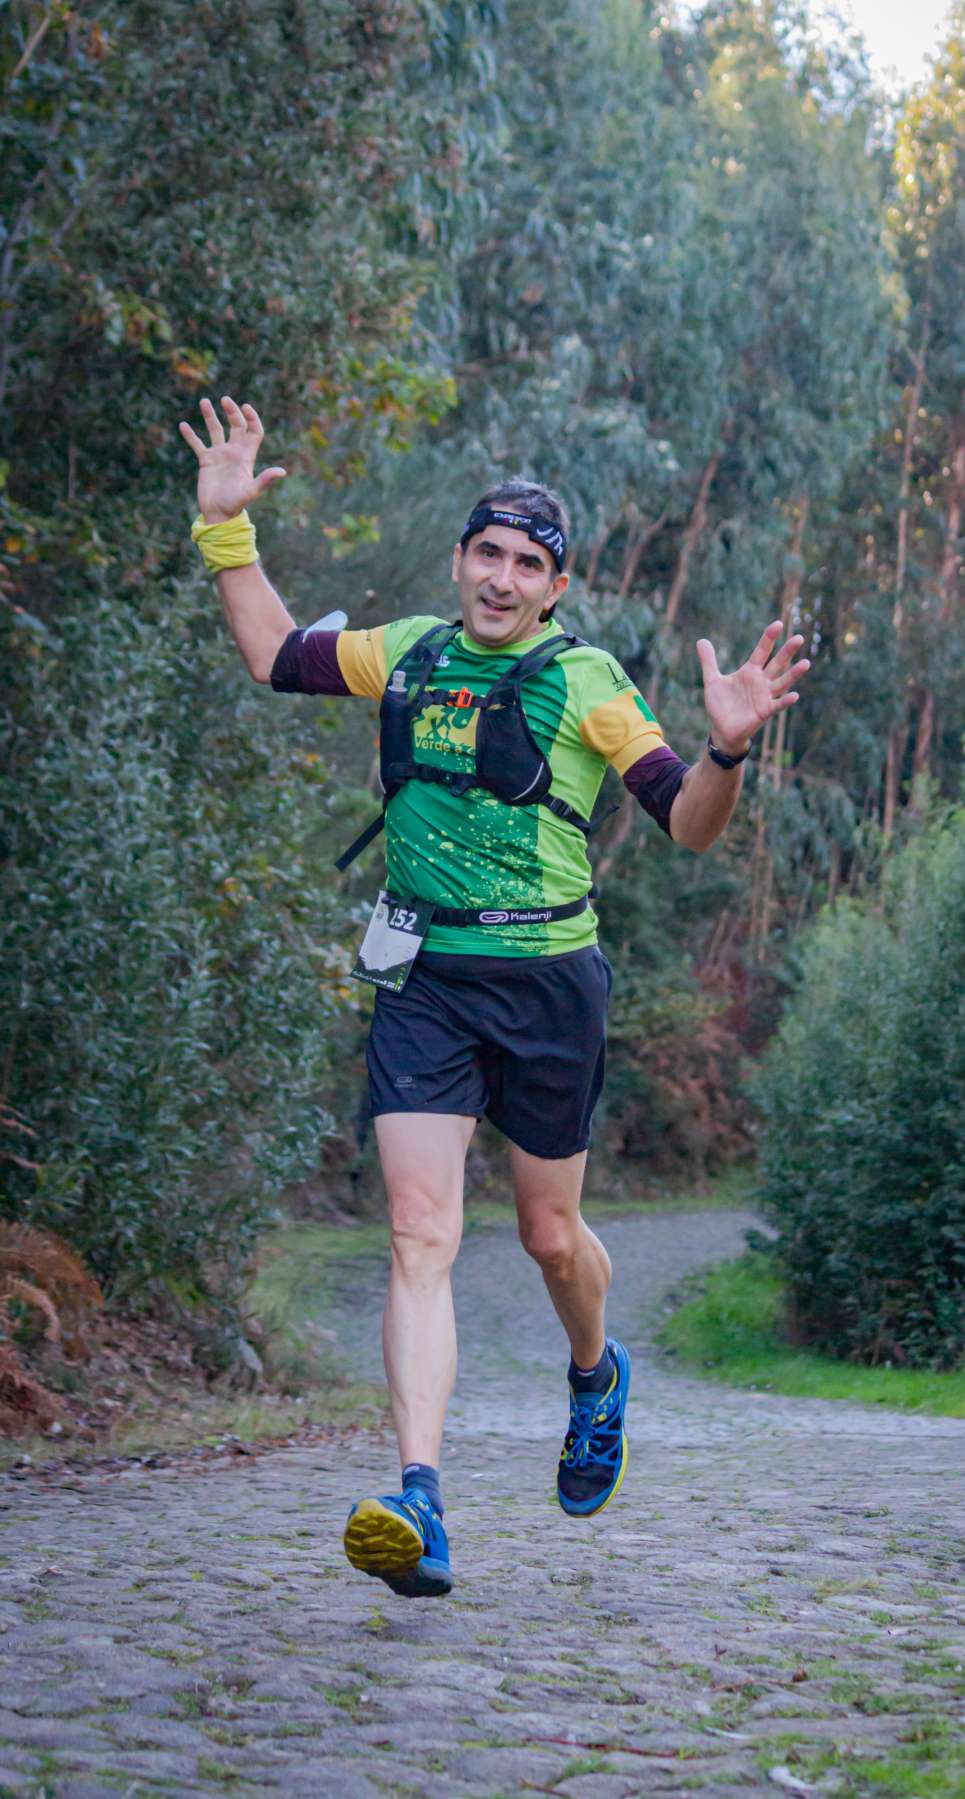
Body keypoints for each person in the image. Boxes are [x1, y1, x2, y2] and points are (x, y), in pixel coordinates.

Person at [181, 394, 810, 1599]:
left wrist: (727, 750)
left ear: (555, 586)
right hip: (423, 977)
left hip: (548, 984)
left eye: (530, 562)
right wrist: (226, 533)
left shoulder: (588, 684)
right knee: (421, 1234)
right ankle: (420, 1500)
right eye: (489, 553)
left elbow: (687, 825)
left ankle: (594, 1372)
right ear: (461, 559)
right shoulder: (408, 650)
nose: (503, 578)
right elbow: (272, 655)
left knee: (544, 1233)